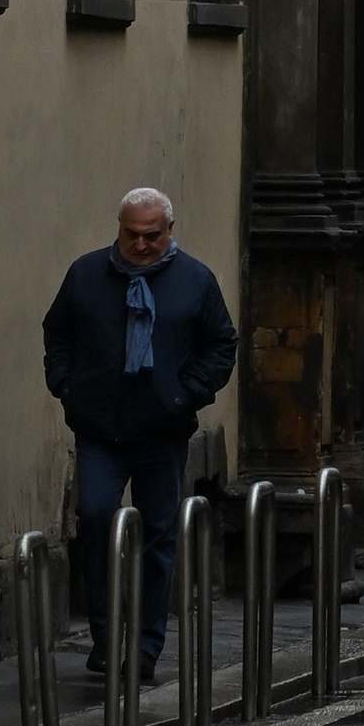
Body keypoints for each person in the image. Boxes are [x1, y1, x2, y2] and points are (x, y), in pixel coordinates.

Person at [41, 188, 237, 687]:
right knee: (95, 518)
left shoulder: (194, 280)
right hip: (99, 429)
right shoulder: (87, 274)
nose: (142, 245)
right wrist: (67, 387)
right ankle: (105, 638)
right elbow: (57, 332)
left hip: (161, 431)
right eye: (132, 234)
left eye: (152, 235)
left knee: (158, 535)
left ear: (169, 230)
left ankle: (147, 646)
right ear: (119, 229)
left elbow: (221, 345)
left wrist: (185, 396)